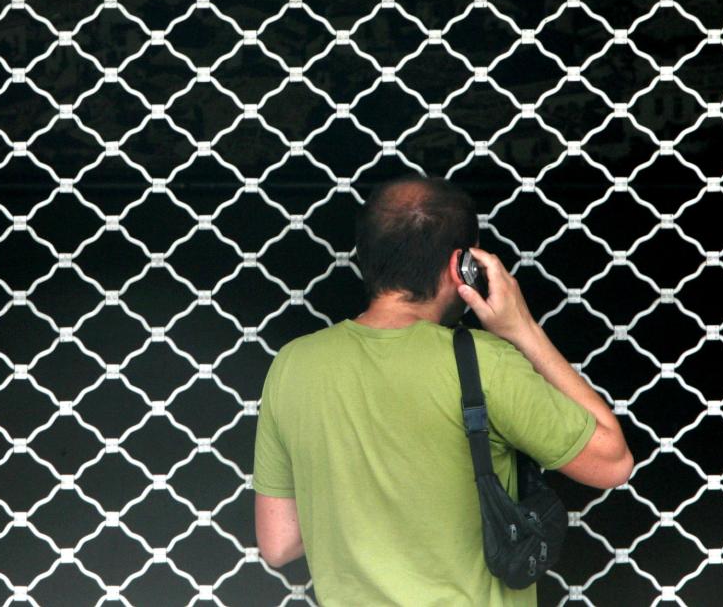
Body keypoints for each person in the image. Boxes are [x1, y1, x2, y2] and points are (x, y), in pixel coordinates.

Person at [251, 175, 633, 605]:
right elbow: (612, 463)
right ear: (462, 266)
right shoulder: (482, 362)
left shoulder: (294, 365)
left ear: (364, 255)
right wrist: (522, 328)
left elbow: (279, 543)